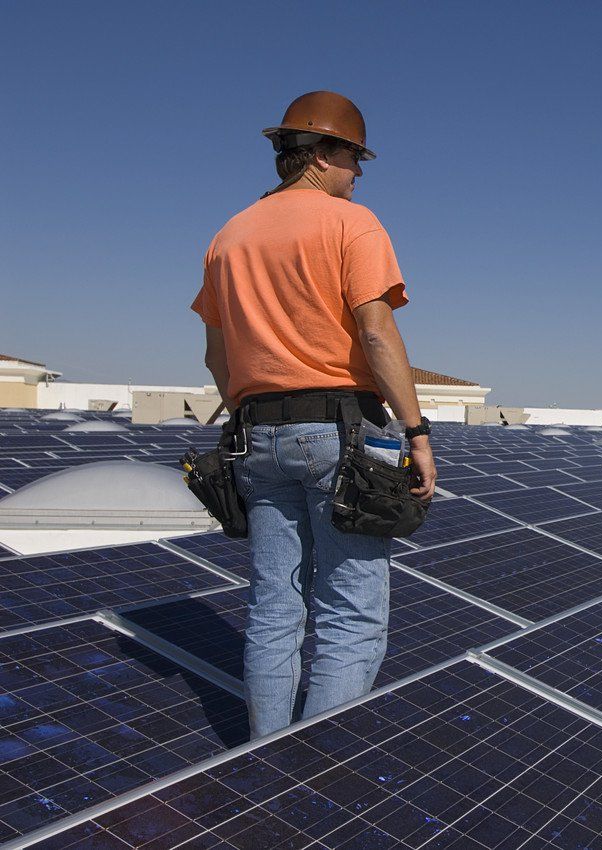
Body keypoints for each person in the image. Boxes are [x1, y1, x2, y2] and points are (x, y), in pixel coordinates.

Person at [192, 91, 436, 738]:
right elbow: (378, 335)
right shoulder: (351, 225)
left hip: (256, 436)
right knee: (352, 616)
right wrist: (417, 431)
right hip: (340, 432)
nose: (358, 173)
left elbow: (217, 355)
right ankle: (316, 783)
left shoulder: (229, 235)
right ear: (322, 154)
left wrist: (250, 407)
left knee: (273, 610)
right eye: (354, 158)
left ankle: (268, 758)